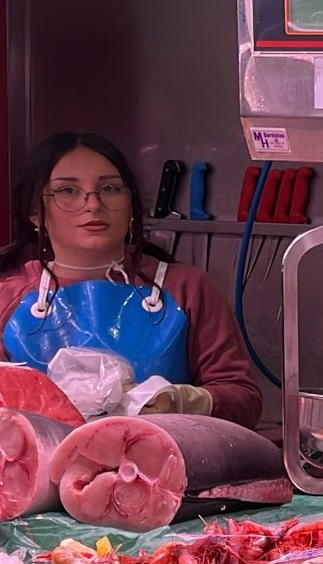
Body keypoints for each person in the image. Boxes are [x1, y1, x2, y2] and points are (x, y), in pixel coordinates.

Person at [0, 131, 261, 427]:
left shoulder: (186, 288)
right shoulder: (8, 295)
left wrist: (180, 401)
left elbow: (245, 400)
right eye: (67, 191)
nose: (93, 204)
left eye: (110, 188)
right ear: (35, 214)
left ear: (131, 205)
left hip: (165, 468)